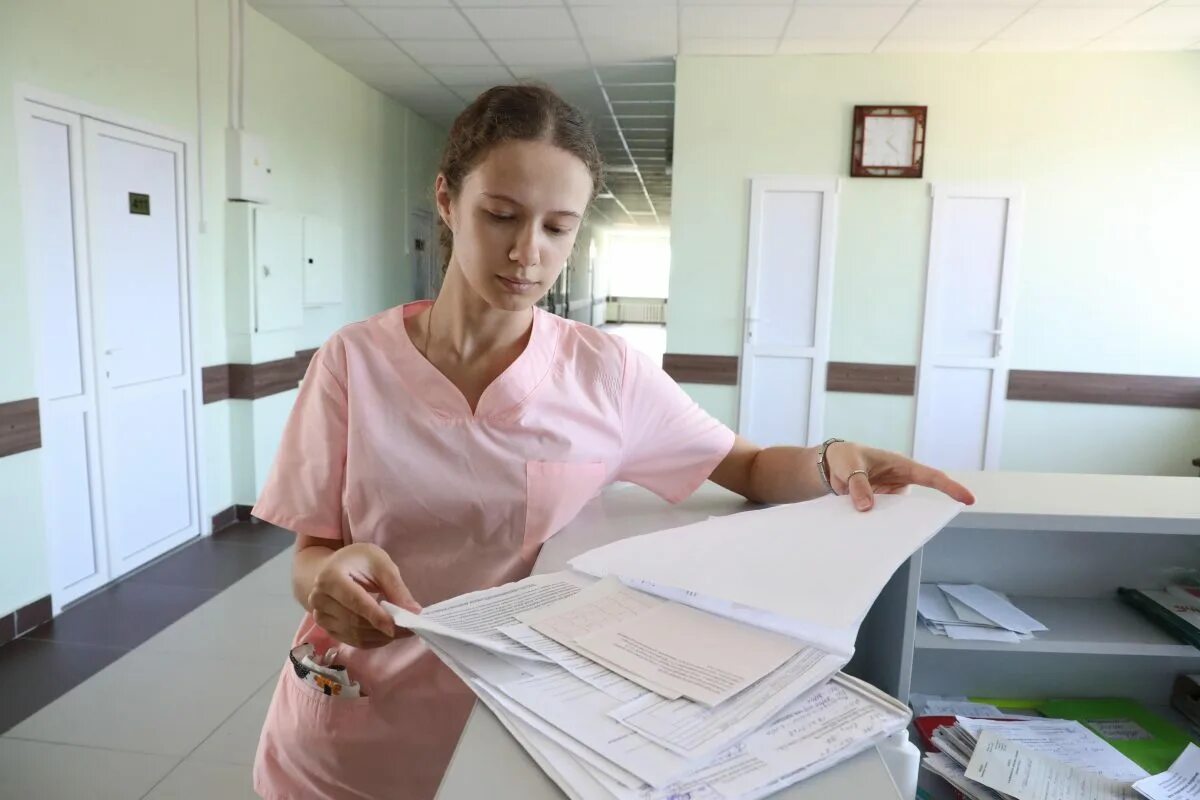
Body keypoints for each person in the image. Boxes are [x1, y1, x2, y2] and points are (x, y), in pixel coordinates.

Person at [250, 84, 975, 800]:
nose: (527, 252)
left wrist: (828, 459)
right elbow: (310, 553)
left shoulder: (605, 373)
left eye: (557, 228)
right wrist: (323, 582)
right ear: (447, 200)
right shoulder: (353, 362)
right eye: (500, 215)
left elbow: (748, 465)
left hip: (523, 722)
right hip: (351, 724)